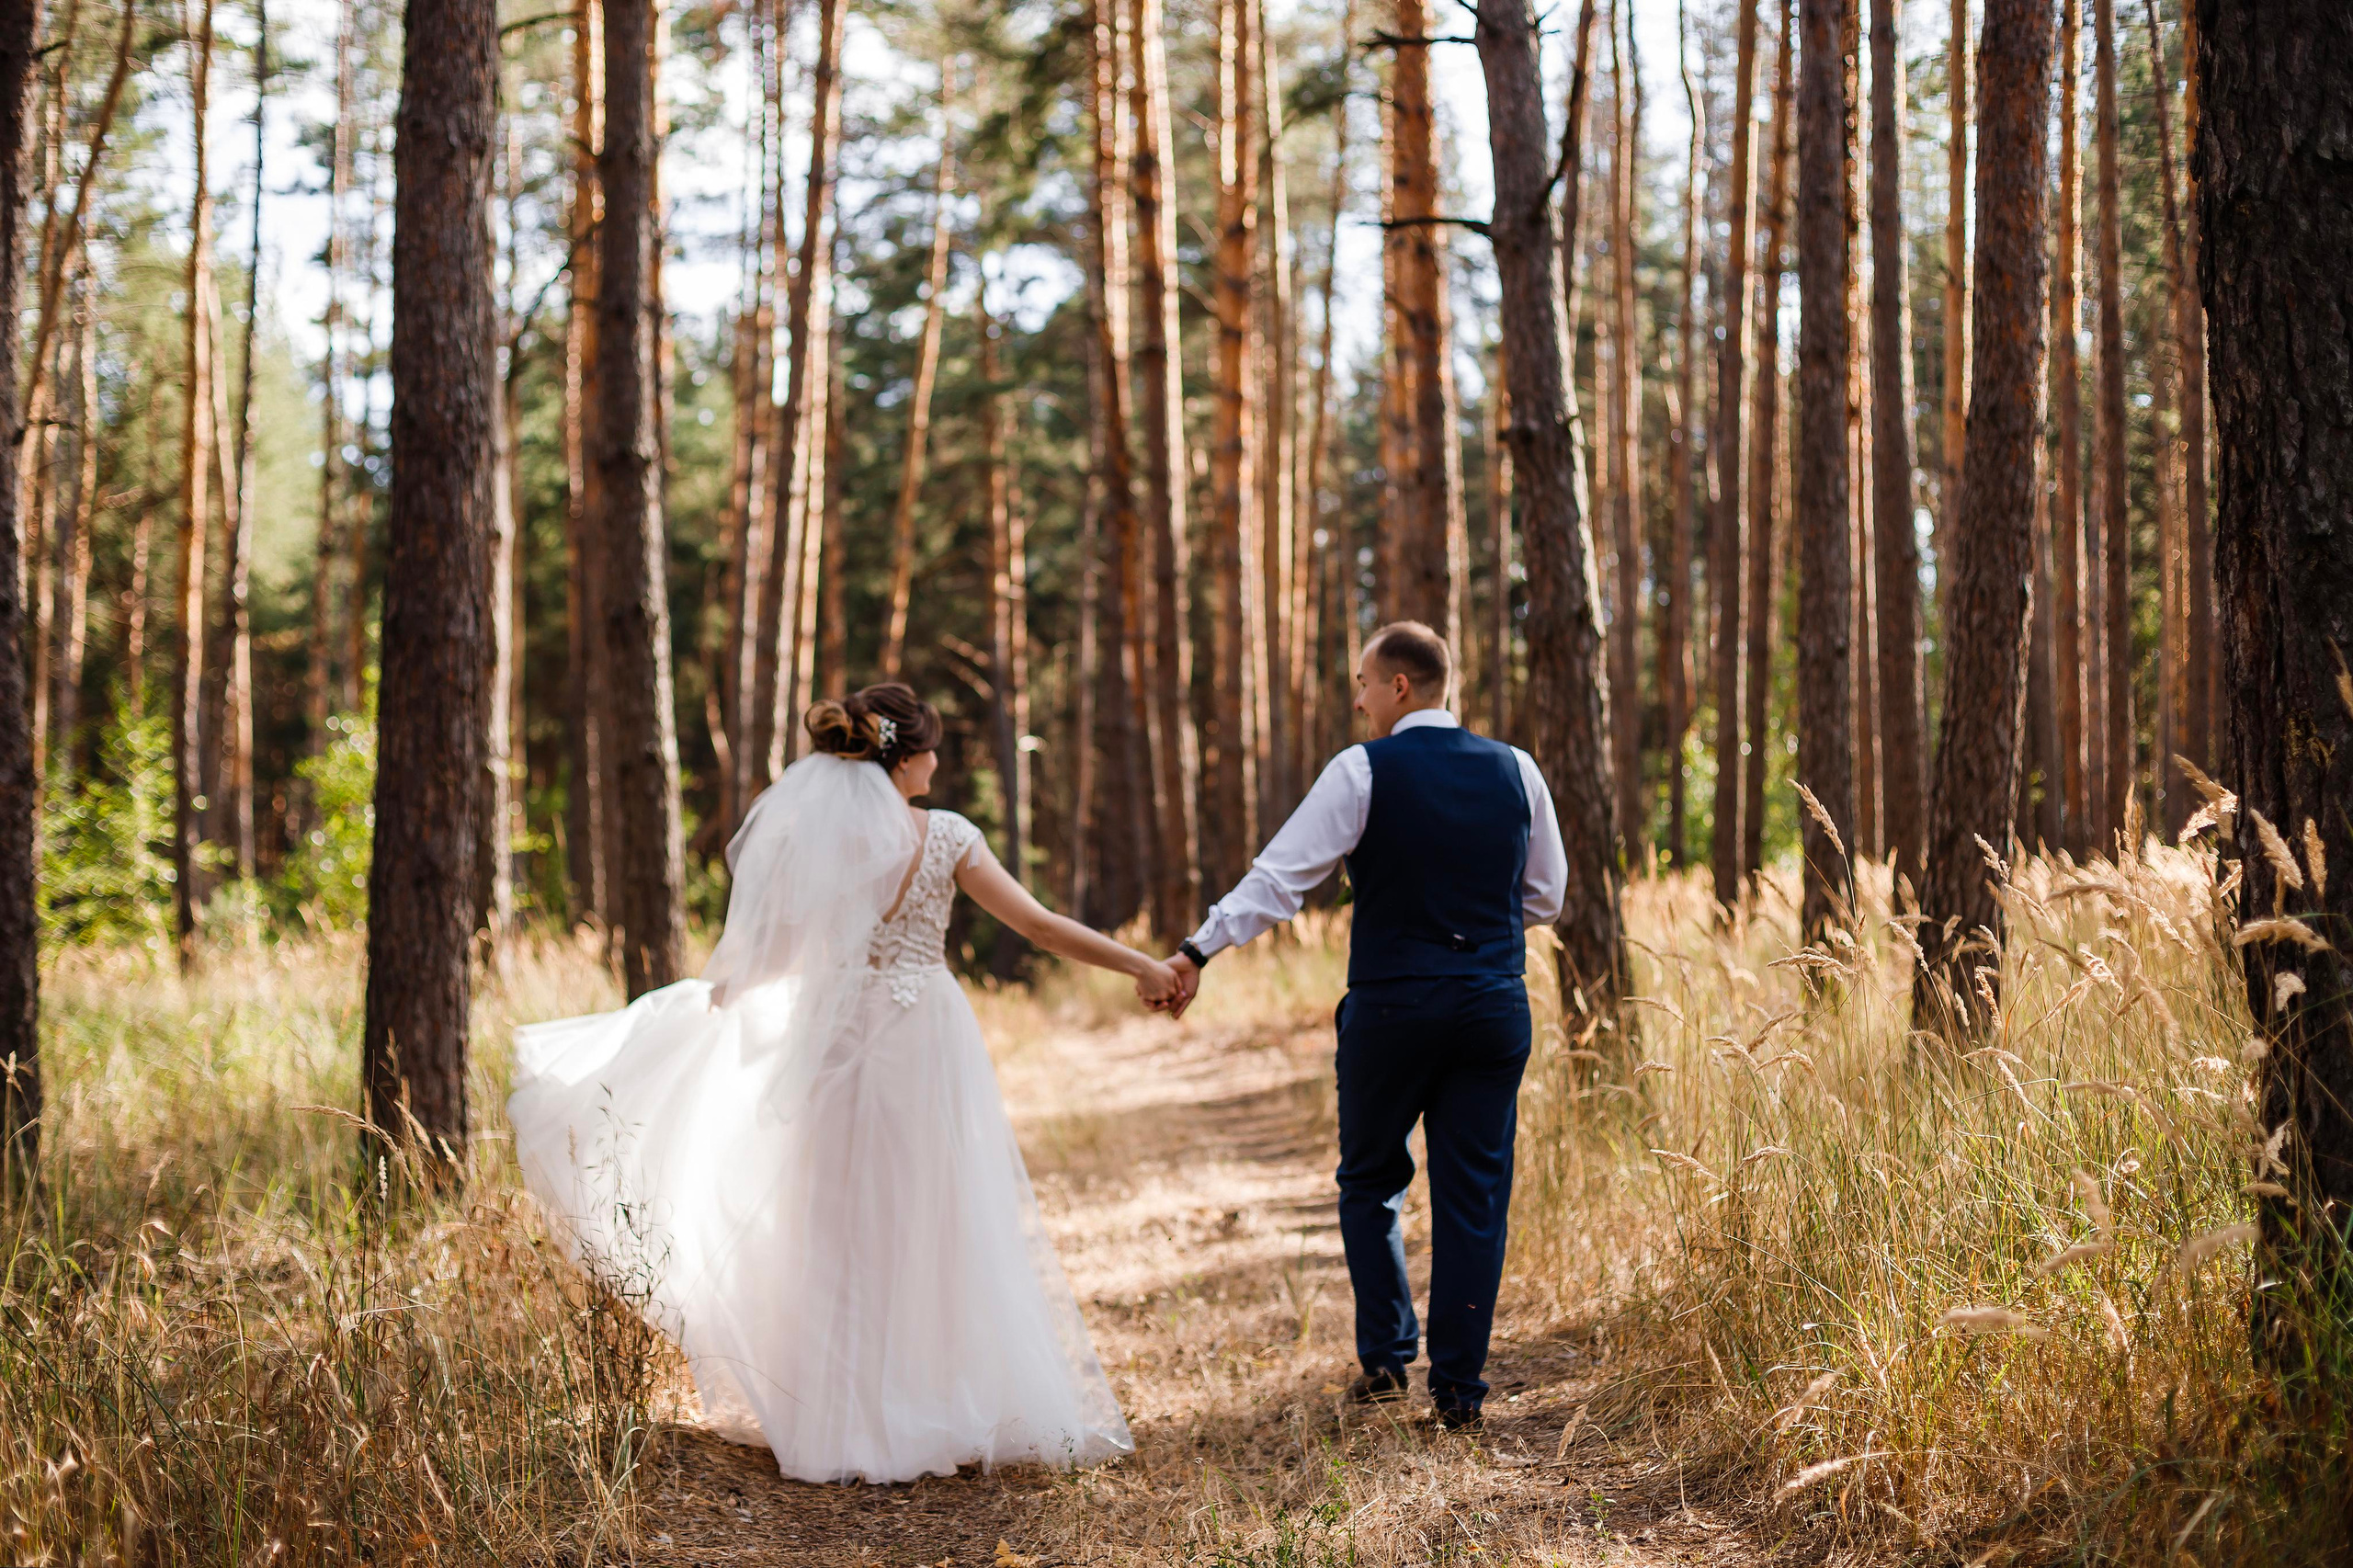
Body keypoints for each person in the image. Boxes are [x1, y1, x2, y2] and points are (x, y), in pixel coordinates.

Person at [508, 683, 1178, 1484]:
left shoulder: (825, 846)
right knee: (929, 1214)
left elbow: (780, 952)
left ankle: (838, 1419)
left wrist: (721, 996)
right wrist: (1141, 963)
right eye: (931, 746)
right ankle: (927, 1401)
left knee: (834, 1224)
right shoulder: (948, 837)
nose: (939, 758)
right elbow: (1036, 925)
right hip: (923, 1038)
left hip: (834, 1039)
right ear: (905, 756)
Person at [1156, 622, 1566, 1431]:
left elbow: (1281, 879)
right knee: (1474, 1197)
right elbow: (1546, 897)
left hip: (1393, 1004)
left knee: (1372, 1180)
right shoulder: (1518, 769)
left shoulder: (1361, 769)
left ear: (1401, 687)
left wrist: (1197, 950)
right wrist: (1475, 925)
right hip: (1491, 1003)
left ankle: (1385, 1358)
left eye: (1363, 682)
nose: (1357, 698)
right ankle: (1458, 1393)